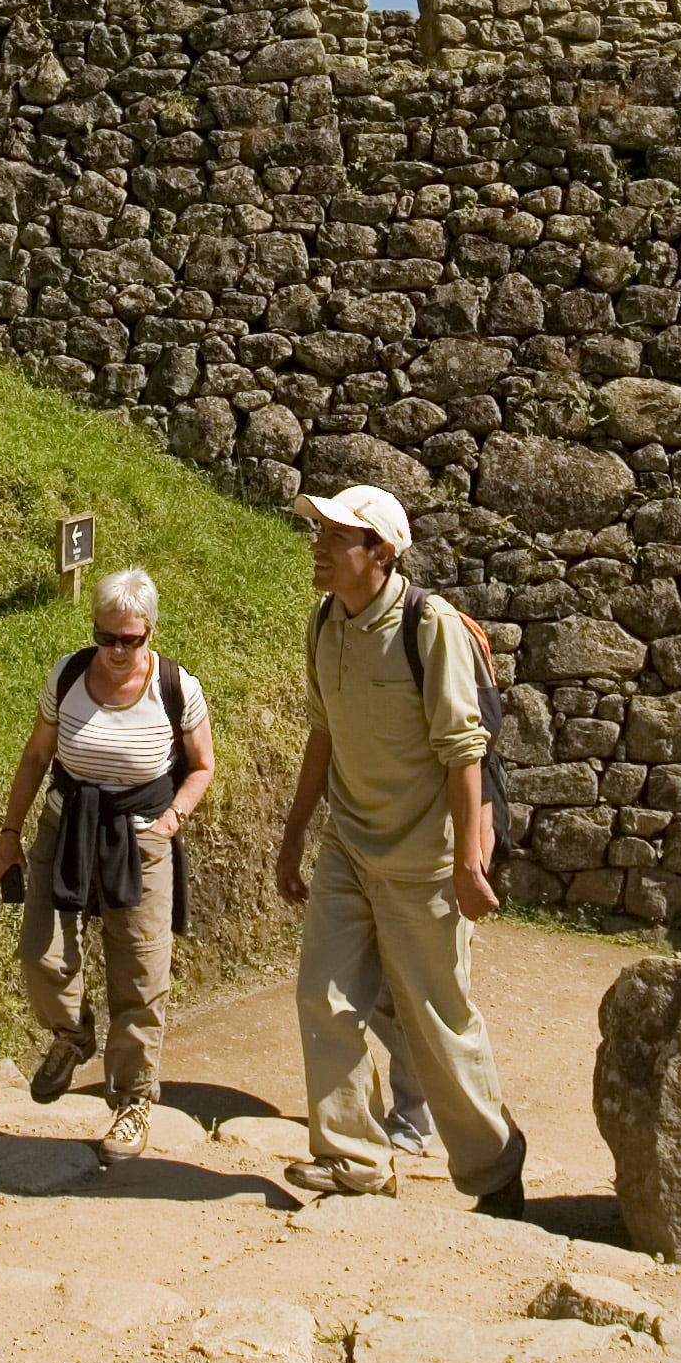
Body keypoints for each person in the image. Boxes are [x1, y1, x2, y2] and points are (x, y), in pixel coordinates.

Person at [272, 483, 527, 1212]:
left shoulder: (431, 627)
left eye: (335, 537)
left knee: (438, 1019)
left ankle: (494, 1170)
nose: (318, 548)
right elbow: (322, 736)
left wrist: (468, 865)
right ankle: (355, 1158)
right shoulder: (325, 623)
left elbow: (462, 750)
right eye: (317, 533)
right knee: (321, 996)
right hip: (349, 845)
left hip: (425, 860)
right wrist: (294, 838)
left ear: (380, 551)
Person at [0, 565, 211, 1163]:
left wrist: (175, 818)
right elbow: (37, 754)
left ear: (150, 633)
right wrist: (9, 833)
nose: (116, 650)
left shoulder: (175, 687)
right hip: (66, 828)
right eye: (106, 636)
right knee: (42, 954)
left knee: (139, 975)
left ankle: (133, 1101)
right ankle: (72, 1032)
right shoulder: (67, 675)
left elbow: (202, 765)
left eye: (130, 639)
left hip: (141, 840)